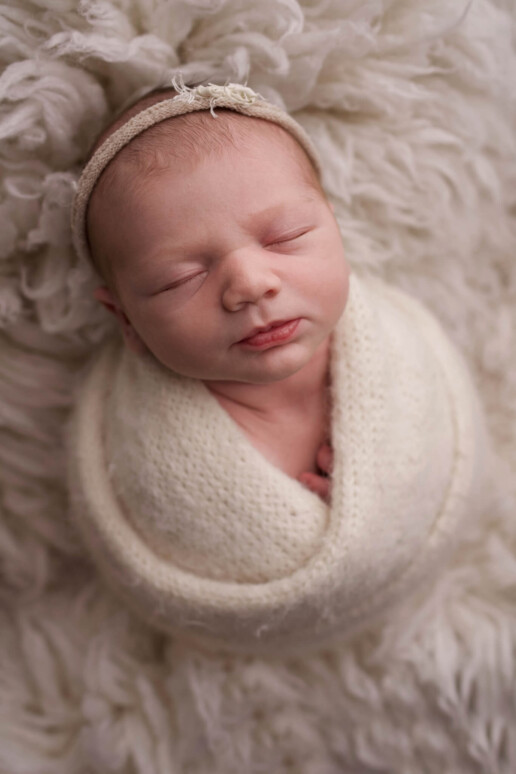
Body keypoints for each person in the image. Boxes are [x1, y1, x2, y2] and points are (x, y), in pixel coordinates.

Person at [67, 79, 488, 654]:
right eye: (181, 278)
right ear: (126, 321)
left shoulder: (393, 348)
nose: (248, 284)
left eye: (286, 238)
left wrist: (378, 480)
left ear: (335, 227)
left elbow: (435, 430)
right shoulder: (149, 447)